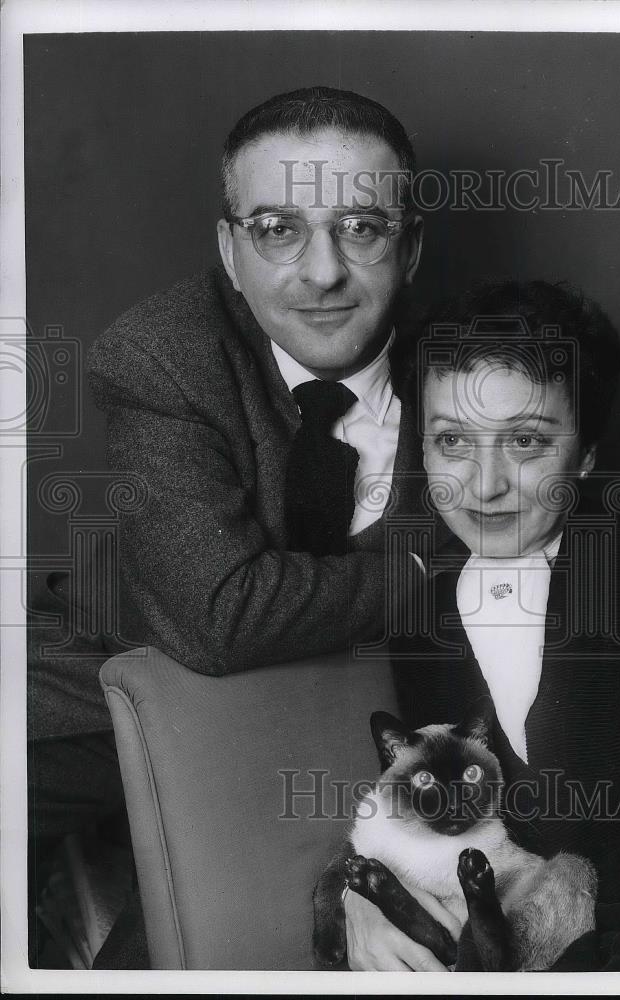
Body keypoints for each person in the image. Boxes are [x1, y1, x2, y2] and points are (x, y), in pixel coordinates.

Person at [27, 85, 429, 968]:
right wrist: (429, 563)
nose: (322, 272)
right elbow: (218, 617)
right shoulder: (165, 350)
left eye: (361, 228)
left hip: (336, 741)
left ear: (411, 245)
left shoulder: (477, 372)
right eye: (278, 229)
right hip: (106, 675)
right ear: (229, 248)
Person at [343, 279, 620, 971]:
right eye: (452, 440)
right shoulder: (417, 624)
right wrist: (357, 895)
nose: (485, 484)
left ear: (588, 455)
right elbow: (436, 820)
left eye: (527, 442)